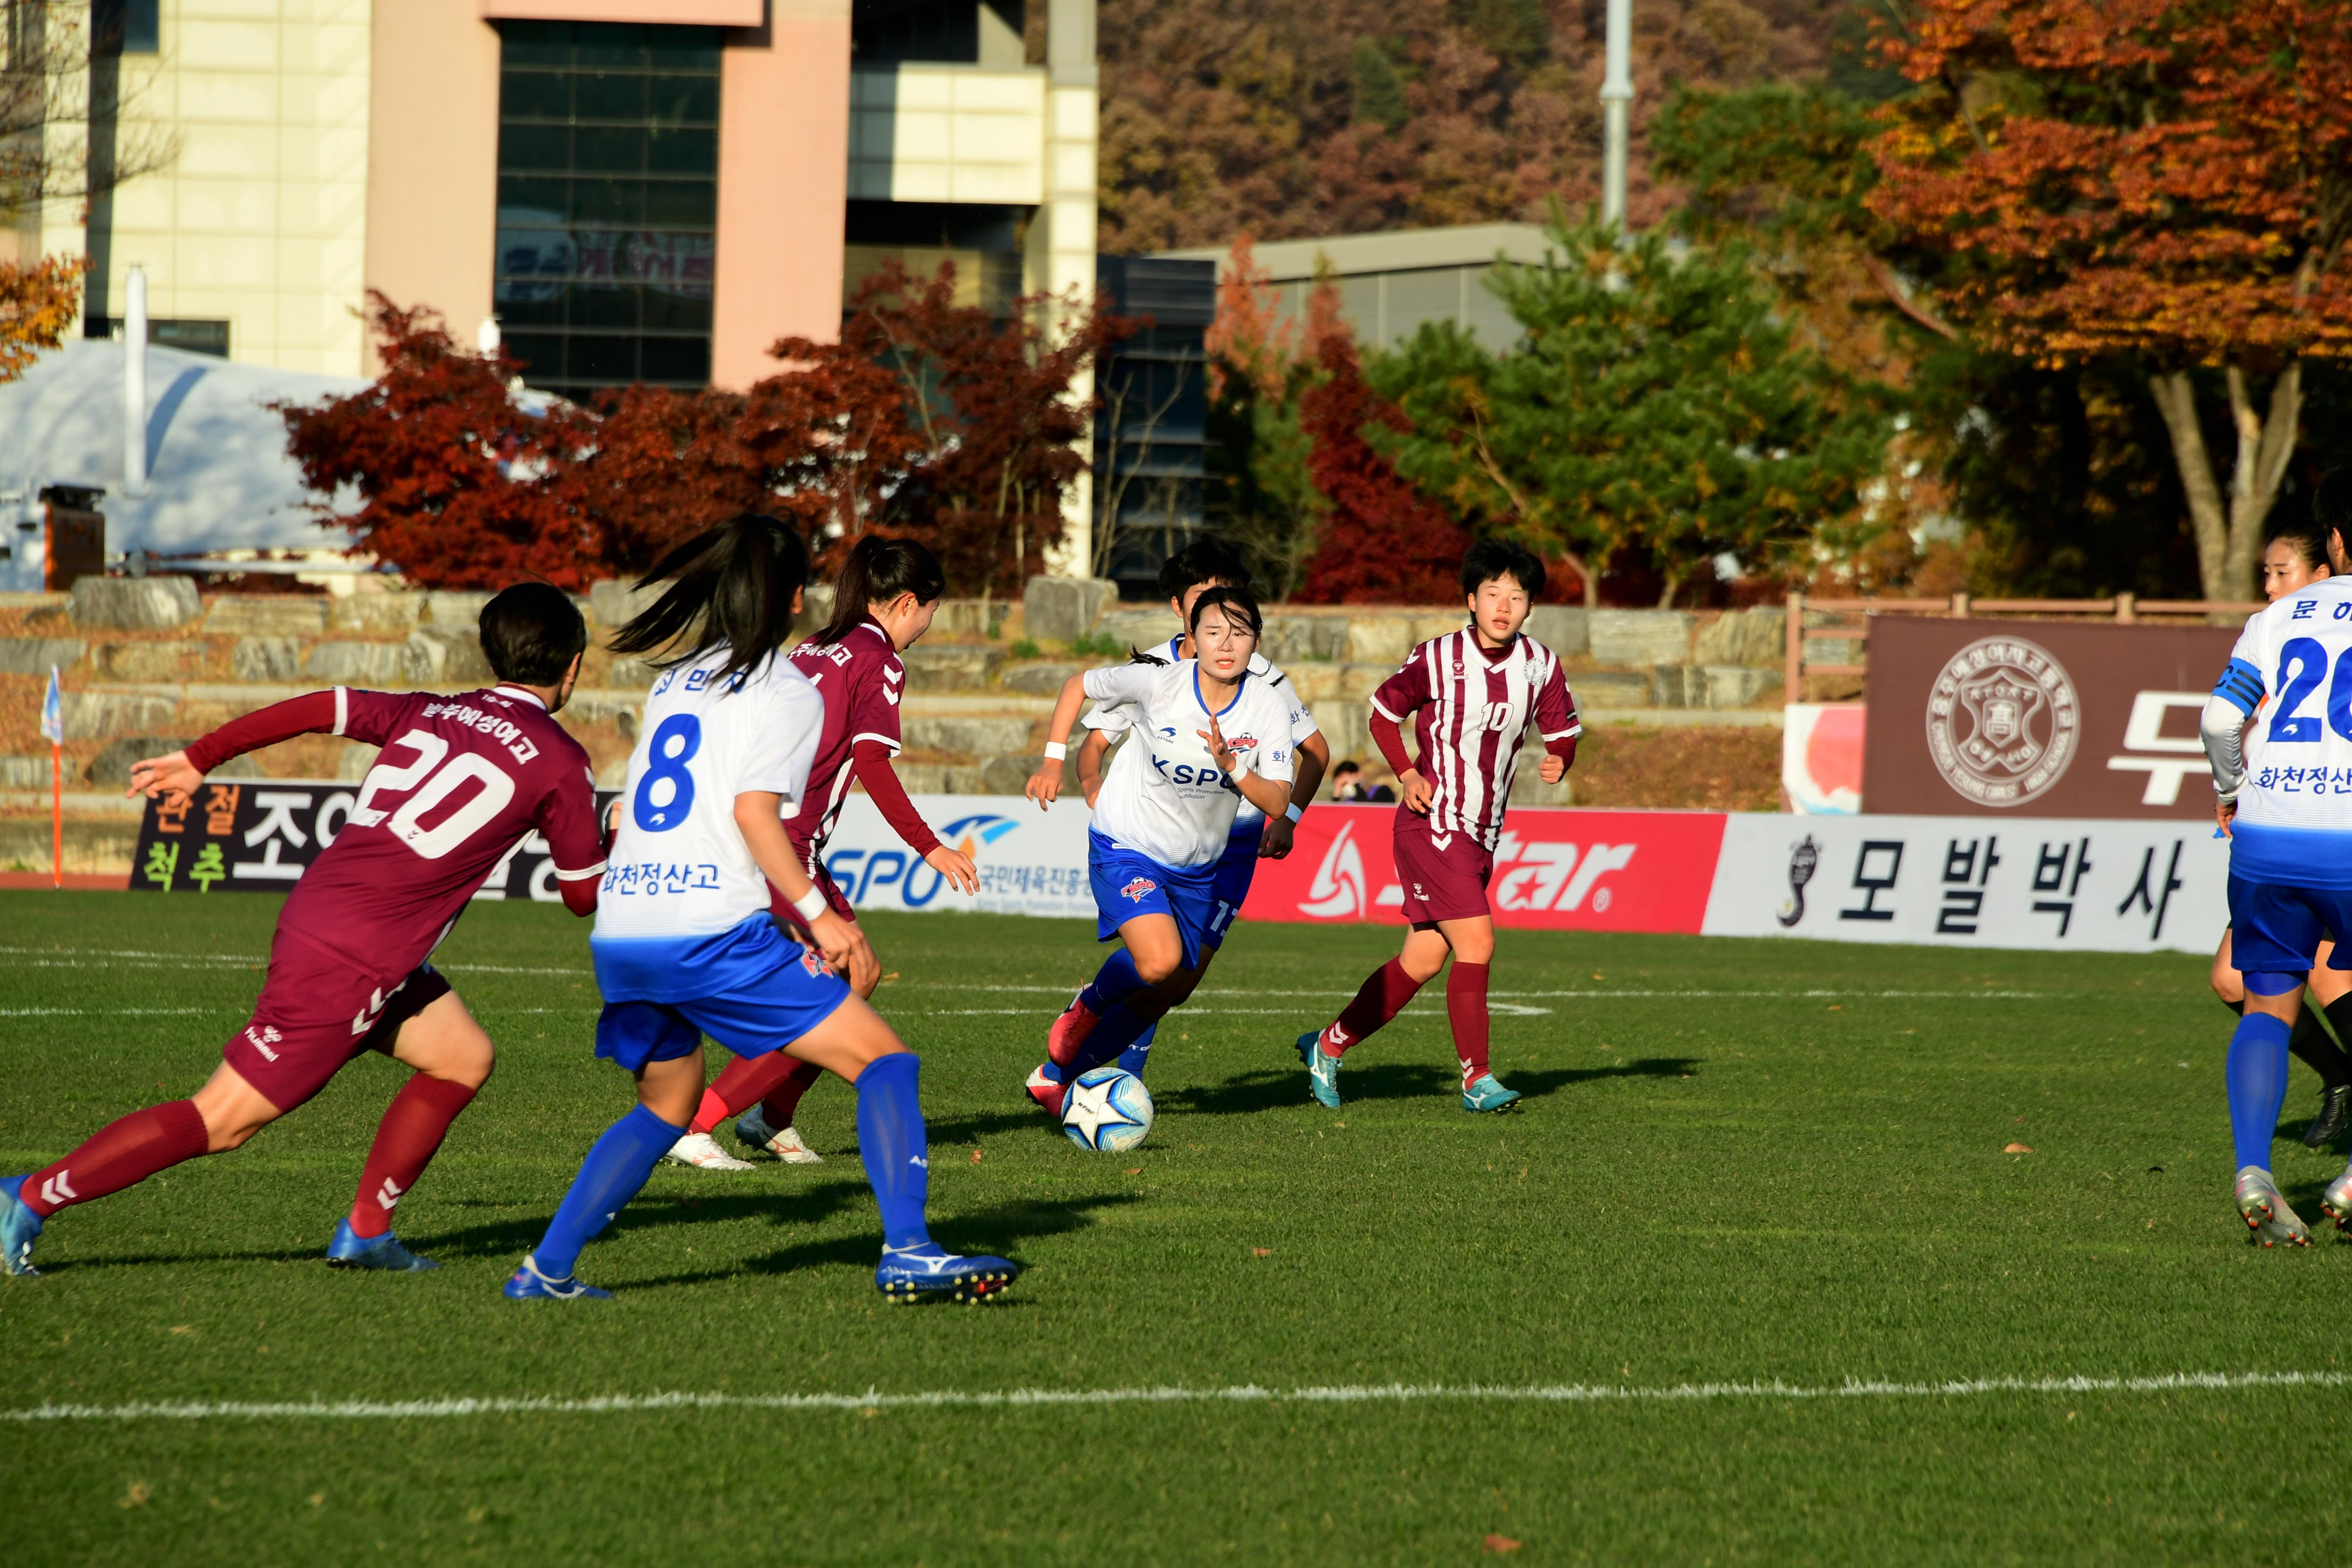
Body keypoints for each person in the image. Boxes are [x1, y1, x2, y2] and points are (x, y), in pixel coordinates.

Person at [0, 585, 608, 1277]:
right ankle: (28, 1196)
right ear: (575, 664)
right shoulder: (560, 758)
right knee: (224, 1119)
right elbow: (582, 897)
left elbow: (322, 707)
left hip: (331, 918)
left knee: (461, 1056)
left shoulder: (432, 709)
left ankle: (367, 1231)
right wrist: (614, 839)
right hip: (357, 958)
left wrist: (202, 756)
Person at [505, 513, 1018, 1302]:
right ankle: (911, 1249)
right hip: (709, 927)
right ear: (789, 596)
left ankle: (546, 1271)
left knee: (667, 1105)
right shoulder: (784, 685)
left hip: (627, 923)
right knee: (886, 1062)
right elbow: (756, 814)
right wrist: (822, 913)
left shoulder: (676, 679)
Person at [660, 535, 981, 1171]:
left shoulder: (812, 647)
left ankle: (770, 1121)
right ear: (910, 602)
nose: (928, 626)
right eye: (931, 611)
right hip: (785, 841)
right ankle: (694, 1126)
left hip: (758, 830)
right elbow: (872, 764)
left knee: (857, 975)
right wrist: (930, 847)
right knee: (821, 995)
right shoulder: (879, 658)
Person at [1292, 539, 1579, 1113]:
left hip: (1483, 833)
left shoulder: (1540, 664)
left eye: (1516, 597)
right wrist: (1406, 773)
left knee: (1423, 960)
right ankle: (1477, 1080)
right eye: (1492, 594)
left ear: (1529, 607)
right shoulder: (1439, 656)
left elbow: (1564, 730)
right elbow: (1382, 713)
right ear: (1471, 600)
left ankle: (1328, 1045)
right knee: (1478, 942)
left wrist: (1560, 759)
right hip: (1433, 823)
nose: (1504, 606)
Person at [1042, 539, 1327, 1097]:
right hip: (1146, 842)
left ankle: (1066, 1077)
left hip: (1231, 846)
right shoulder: (1153, 671)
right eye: (1207, 602)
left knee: (1177, 985)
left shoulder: (1264, 681)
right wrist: (1087, 779)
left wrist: (1286, 817)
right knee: (1158, 961)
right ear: (1182, 608)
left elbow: (1314, 751)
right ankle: (1106, 1072)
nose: (1223, 616)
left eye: (1235, 604)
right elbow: (1094, 738)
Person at [2204, 472, 2352, 1247]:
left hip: (2268, 832)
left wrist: (2233, 791)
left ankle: (2256, 1170)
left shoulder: (2279, 617)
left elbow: (2219, 717)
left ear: (2335, 542)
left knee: (2264, 1002)